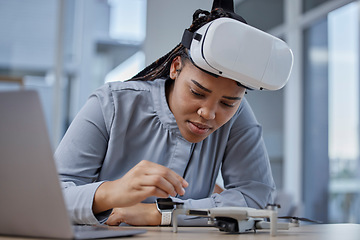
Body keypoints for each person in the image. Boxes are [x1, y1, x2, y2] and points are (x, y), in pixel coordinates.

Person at [55, 2, 284, 227]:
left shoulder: (237, 116)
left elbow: (257, 198)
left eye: (228, 102)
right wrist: (112, 192)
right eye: (196, 92)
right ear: (175, 68)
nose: (208, 113)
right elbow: (49, 196)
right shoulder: (111, 104)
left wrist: (162, 214)